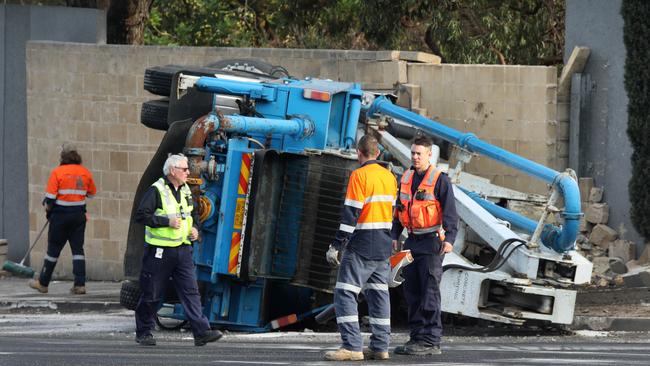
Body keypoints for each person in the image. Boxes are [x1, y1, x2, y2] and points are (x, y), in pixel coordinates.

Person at [133, 153, 222, 347]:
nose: (188, 172)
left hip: (182, 251)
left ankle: (201, 332)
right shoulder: (156, 191)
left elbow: (194, 214)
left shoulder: (186, 190)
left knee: (191, 292)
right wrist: (166, 221)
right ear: (172, 171)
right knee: (152, 293)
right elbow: (141, 216)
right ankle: (143, 332)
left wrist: (196, 230)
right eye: (184, 169)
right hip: (160, 252)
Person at [323, 135, 398, 361]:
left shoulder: (359, 176)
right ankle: (380, 346)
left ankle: (352, 346)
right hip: (384, 246)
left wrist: (336, 245)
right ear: (378, 154)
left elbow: (350, 215)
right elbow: (393, 213)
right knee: (379, 295)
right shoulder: (390, 177)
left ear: (359, 153)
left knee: (345, 292)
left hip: (362, 245)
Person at [391, 136, 458, 356]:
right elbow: (400, 209)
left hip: (431, 242)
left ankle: (431, 341)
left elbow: (450, 214)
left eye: (420, 153)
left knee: (429, 292)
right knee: (412, 291)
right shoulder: (407, 177)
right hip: (411, 241)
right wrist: (394, 234)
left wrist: (449, 240)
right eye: (413, 153)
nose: (415, 157)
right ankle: (417, 338)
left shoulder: (440, 180)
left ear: (430, 155)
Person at [29, 143, 96, 295]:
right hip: (79, 217)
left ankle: (43, 283)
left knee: (53, 250)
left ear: (63, 157)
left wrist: (48, 212)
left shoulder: (57, 172)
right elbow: (91, 193)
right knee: (78, 251)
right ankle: (80, 285)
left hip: (60, 217)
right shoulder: (85, 173)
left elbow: (50, 199)